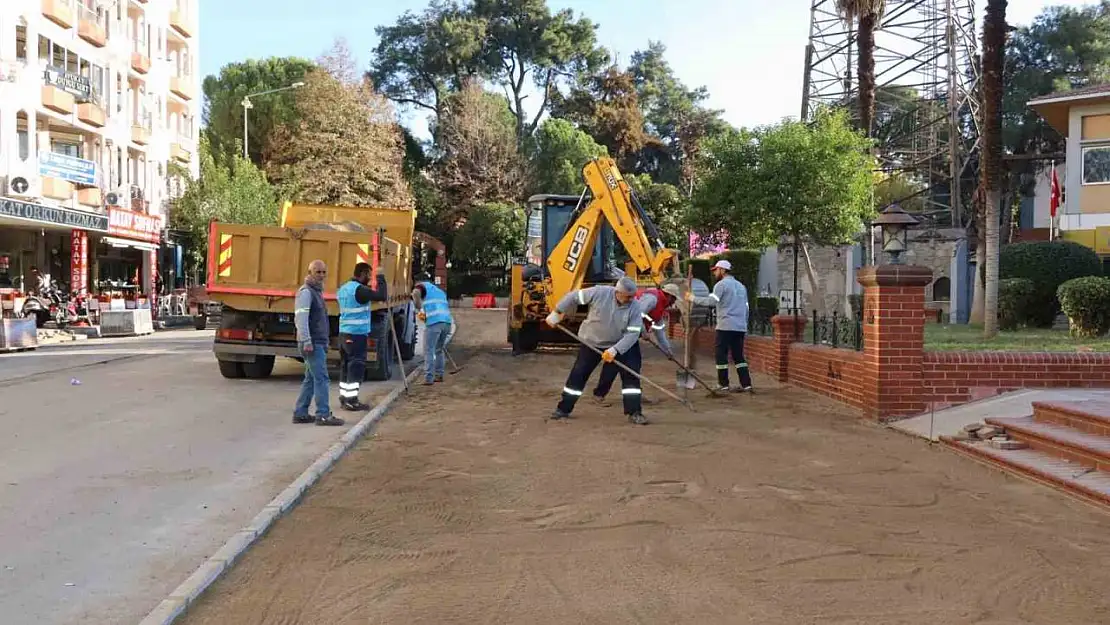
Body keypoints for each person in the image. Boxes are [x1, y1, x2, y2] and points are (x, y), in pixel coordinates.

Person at [546, 277, 649, 425]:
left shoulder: (635, 306)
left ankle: (635, 412)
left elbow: (633, 334)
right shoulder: (599, 293)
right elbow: (573, 296)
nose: (631, 299)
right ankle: (563, 408)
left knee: (631, 375)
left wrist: (615, 350)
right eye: (628, 296)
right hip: (592, 342)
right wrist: (557, 312)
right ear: (618, 292)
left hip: (622, 344)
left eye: (633, 296)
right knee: (579, 374)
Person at [590, 282, 681, 406]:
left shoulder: (660, 308)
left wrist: (667, 350)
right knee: (616, 365)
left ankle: (632, 395)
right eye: (674, 298)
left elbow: (659, 332)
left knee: (632, 365)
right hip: (623, 332)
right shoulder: (653, 298)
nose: (673, 302)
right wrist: (642, 331)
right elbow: (638, 313)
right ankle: (600, 394)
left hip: (631, 334)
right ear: (669, 295)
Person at [686, 259, 753, 393]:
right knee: (739, 356)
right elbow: (746, 307)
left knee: (720, 354)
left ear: (722, 270)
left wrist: (692, 298)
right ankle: (747, 384)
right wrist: (744, 324)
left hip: (725, 326)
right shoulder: (741, 286)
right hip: (739, 327)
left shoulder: (721, 285)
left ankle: (723, 384)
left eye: (716, 270)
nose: (715, 273)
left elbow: (711, 301)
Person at [293, 259, 344, 426]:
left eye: (323, 272)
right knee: (322, 378)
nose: (321, 275)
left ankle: (300, 412)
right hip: (312, 343)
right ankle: (323, 414)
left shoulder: (316, 292)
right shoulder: (306, 292)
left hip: (317, 342)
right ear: (310, 273)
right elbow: (301, 318)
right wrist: (307, 340)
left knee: (310, 378)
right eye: (317, 272)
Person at [336, 262, 387, 412]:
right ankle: (352, 401)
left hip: (344, 333)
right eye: (369, 276)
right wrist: (381, 277)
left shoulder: (343, 289)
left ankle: (345, 398)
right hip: (356, 334)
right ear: (363, 273)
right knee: (356, 367)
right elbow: (381, 296)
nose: (370, 280)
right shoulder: (360, 290)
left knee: (346, 367)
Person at [411, 275, 453, 385]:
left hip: (434, 322)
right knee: (439, 349)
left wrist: (418, 307)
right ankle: (439, 375)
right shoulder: (439, 291)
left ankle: (429, 378)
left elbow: (415, 293)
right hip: (447, 322)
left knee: (429, 350)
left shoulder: (421, 286)